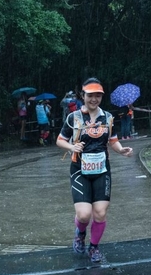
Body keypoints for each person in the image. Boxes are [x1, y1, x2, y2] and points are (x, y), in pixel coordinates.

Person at [56, 77, 133, 262]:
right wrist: (72, 147)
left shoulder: (108, 117)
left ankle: (94, 247)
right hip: (79, 170)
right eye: (90, 95)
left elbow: (113, 140)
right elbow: (60, 140)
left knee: (100, 213)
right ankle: (80, 233)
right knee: (84, 215)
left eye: (98, 95)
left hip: (102, 170)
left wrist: (121, 150)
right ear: (83, 95)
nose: (94, 99)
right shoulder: (73, 117)